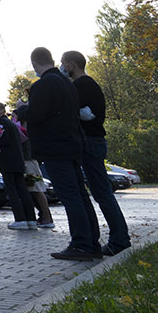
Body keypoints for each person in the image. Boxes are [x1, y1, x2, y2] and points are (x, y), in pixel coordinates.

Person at [24, 47, 102, 261]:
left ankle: (81, 244)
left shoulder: (43, 85)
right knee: (80, 195)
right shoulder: (68, 83)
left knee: (70, 196)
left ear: (35, 64)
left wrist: (23, 110)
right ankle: (91, 242)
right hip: (73, 145)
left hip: (55, 147)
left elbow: (37, 114)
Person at [64, 50, 130, 255]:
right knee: (101, 192)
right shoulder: (90, 85)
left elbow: (72, 111)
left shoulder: (81, 86)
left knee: (102, 193)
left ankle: (119, 239)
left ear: (72, 64)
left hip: (90, 142)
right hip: (94, 141)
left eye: (63, 63)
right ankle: (119, 238)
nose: (62, 67)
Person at [0, 101, 34, 229]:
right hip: (17, 161)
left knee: (12, 190)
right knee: (22, 189)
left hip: (8, 161)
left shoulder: (3, 123)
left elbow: (4, 140)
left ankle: (20, 219)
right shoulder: (11, 123)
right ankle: (30, 219)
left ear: (2, 109)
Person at [15, 104, 57, 228]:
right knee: (33, 190)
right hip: (30, 160)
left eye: (14, 116)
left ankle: (47, 217)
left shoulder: (26, 129)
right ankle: (44, 216)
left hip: (30, 161)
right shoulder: (26, 127)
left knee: (37, 189)